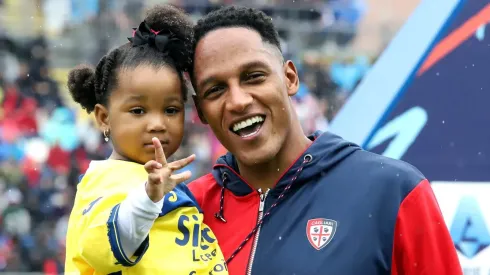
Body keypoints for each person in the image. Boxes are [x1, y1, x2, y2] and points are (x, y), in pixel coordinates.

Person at [116, 5, 462, 275]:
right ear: (202, 112)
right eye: (216, 89)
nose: (237, 101)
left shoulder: (393, 191)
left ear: (290, 78)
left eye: (253, 76)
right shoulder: (184, 209)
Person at [64, 5, 227, 275]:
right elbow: (101, 247)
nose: (157, 124)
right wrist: (147, 200)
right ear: (104, 118)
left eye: (171, 110)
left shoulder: (163, 179)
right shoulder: (104, 180)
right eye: (138, 111)